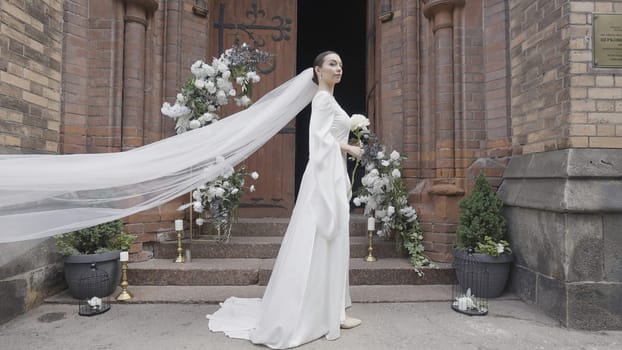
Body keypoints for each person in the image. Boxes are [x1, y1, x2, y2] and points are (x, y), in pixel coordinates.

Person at [207, 51, 363, 349]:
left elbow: (327, 136)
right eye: (332, 63)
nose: (339, 68)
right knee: (321, 240)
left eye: (341, 64)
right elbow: (318, 141)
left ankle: (335, 309)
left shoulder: (329, 99)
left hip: (332, 173)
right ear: (318, 70)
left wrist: (346, 146)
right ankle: (322, 312)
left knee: (333, 242)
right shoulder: (322, 99)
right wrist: (349, 148)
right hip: (323, 178)